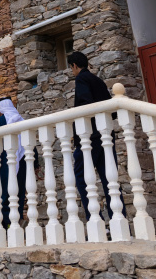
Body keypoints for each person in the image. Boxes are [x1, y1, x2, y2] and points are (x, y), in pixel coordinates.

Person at [67, 51, 123, 223]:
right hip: (105, 135)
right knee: (110, 179)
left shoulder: (81, 79)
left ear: (74, 66)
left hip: (89, 138)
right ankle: (118, 220)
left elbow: (85, 103)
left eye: (71, 68)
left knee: (81, 176)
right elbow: (111, 113)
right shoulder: (98, 80)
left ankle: (95, 220)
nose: (72, 71)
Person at [0, 96, 38, 228]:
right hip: (23, 164)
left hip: (5, 164)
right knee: (19, 194)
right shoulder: (21, 120)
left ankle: (8, 225)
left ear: (1, 109)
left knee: (4, 194)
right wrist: (36, 164)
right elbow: (31, 143)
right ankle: (18, 220)